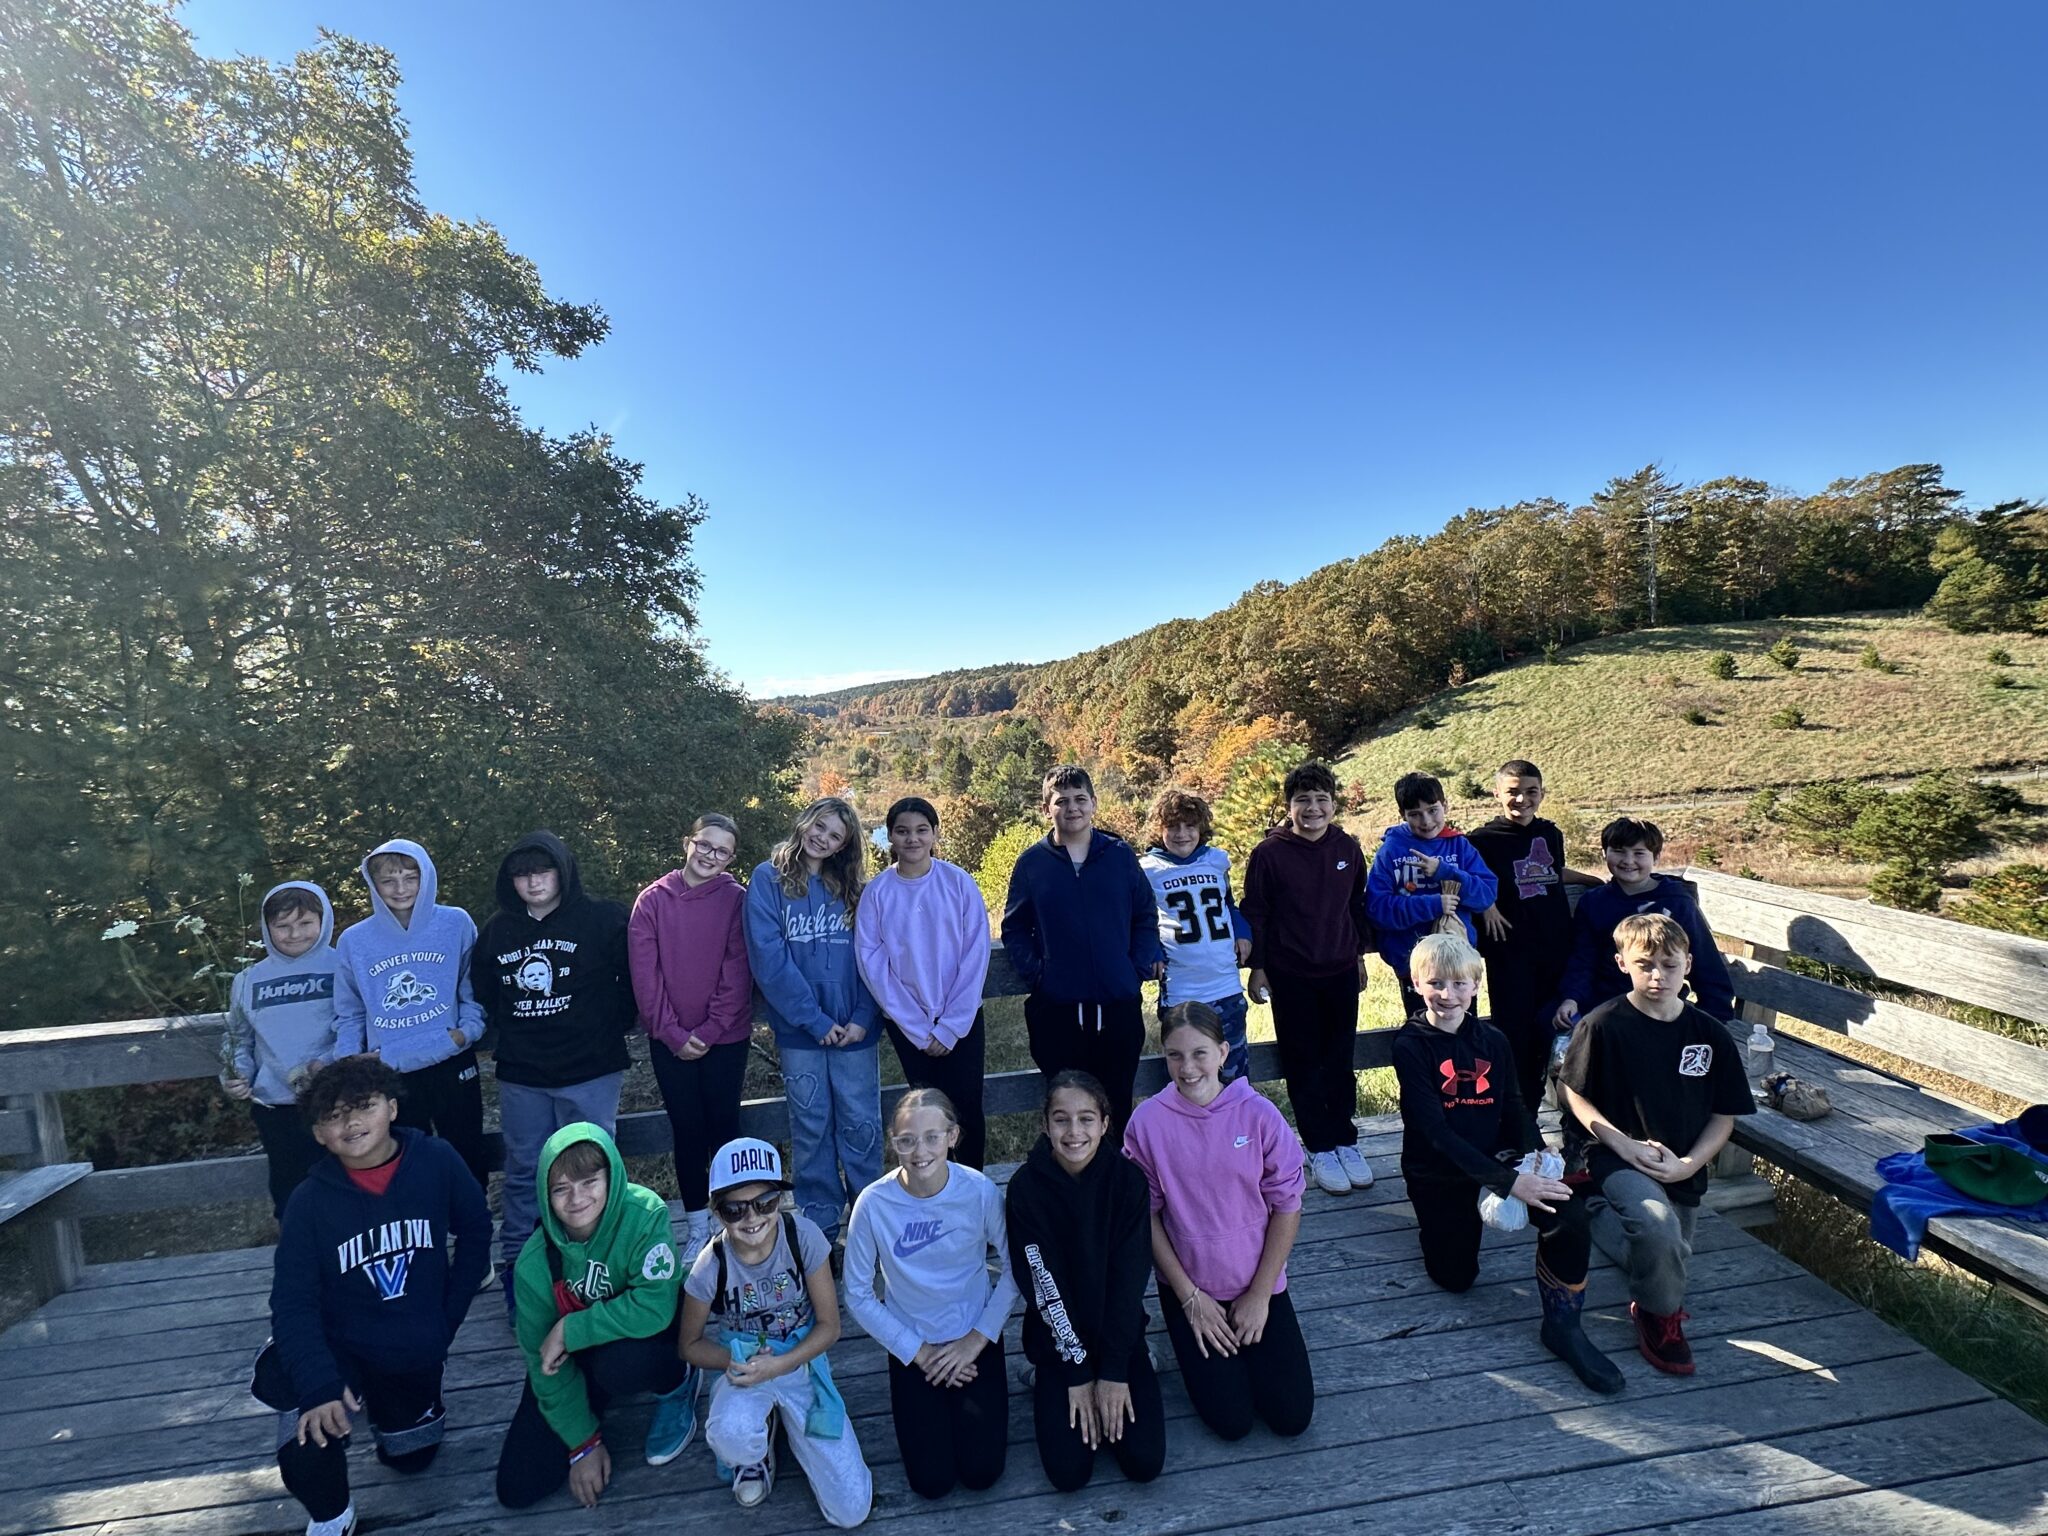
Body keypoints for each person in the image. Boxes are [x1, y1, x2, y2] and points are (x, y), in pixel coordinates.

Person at [255, 1055, 491, 1536]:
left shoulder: (437, 1160)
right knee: (307, 1442)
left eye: (364, 1106)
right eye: (333, 1116)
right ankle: (333, 1517)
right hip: (340, 1341)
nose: (351, 1123)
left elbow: (476, 1232)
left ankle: (380, 1402)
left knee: (411, 1458)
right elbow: (292, 1302)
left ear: (392, 1108)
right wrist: (319, 1383)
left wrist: (446, 1319)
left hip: (410, 1342)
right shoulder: (308, 1202)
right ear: (318, 1134)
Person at [1390, 934, 1622, 1393]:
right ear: (1416, 983)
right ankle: (1442, 1224)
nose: (1447, 995)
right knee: (1456, 1278)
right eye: (1435, 983)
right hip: (1438, 1171)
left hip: (1499, 1157)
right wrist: (1508, 1184)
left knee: (1568, 1213)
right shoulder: (1411, 1045)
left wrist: (1536, 1152)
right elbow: (1434, 1131)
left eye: (1459, 984)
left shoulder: (1492, 1040)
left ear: (1476, 985)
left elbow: (1515, 1107)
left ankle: (1563, 1325)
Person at [1558, 914, 1756, 1374]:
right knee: (1658, 1230)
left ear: (1688, 964)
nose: (1657, 976)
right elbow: (1572, 1091)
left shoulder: (1708, 1034)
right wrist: (1621, 1144)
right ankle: (1657, 1316)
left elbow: (1724, 1115)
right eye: (1644, 964)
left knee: (1666, 1252)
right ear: (1621, 963)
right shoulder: (1603, 1025)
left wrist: (1689, 1164)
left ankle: (1594, 1212)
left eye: (1669, 965)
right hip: (1614, 1153)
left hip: (1680, 1160)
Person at [1125, 1003, 1314, 1442]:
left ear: (1223, 1052)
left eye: (1200, 1053)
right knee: (1231, 1421)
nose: (1188, 1068)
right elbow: (1145, 1214)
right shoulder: (1147, 1122)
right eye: (1174, 1055)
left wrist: (1260, 1295)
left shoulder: (1258, 1114)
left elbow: (1288, 1205)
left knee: (1292, 1416)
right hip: (1192, 1289)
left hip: (1257, 1283)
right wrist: (1189, 1297)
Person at [496, 1124, 700, 1509]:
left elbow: (655, 1307)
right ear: (544, 1194)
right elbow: (542, 1361)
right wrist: (583, 1443)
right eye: (560, 1188)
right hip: (579, 1358)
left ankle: (679, 1381)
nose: (577, 1198)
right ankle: (594, 1410)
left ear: (611, 1176)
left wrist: (570, 1329)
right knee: (517, 1486)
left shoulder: (645, 1214)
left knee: (620, 1365)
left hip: (644, 1337)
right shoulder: (532, 1265)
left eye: (589, 1181)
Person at [473, 831, 636, 1313]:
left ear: (562, 871)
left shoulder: (603, 919)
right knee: (525, 1172)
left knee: (591, 1169)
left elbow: (632, 982)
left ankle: (600, 1270)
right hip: (523, 1073)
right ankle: (521, 1274)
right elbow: (484, 993)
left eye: (542, 871)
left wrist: (610, 1025)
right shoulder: (496, 931)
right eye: (521, 875)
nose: (533, 882)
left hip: (591, 1068)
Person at [680, 1138, 873, 1526]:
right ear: (717, 1212)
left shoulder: (803, 1237)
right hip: (743, 1368)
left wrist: (782, 1365)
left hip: (800, 1361)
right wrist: (738, 1362)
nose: (752, 1218)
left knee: (851, 1510)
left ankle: (783, 1423)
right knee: (729, 1433)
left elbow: (829, 1326)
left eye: (765, 1202)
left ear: (780, 1199)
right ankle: (758, 1449)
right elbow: (689, 1345)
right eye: (735, 1209)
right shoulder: (710, 1264)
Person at [843, 1089, 1017, 1499]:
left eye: (932, 1137)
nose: (920, 1151)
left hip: (974, 1337)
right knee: (931, 1481)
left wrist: (976, 1340)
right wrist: (918, 1352)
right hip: (913, 1344)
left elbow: (1015, 1269)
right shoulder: (873, 1204)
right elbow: (856, 1293)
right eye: (906, 1140)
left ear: (952, 1136)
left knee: (982, 1472)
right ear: (893, 1142)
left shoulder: (979, 1191)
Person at [1005, 1071, 1165, 1492]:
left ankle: (1141, 1363)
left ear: (1105, 1123)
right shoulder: (1025, 1189)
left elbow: (1129, 1283)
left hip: (1120, 1341)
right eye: (1061, 1119)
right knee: (1069, 1473)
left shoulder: (1128, 1182)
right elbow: (1044, 1286)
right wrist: (1077, 1373)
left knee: (1144, 1462)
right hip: (1059, 1346)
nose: (1074, 1132)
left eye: (1086, 1119)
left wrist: (1112, 1370)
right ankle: (1044, 1380)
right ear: (1045, 1124)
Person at [744, 797, 881, 1247]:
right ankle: (819, 1229)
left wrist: (863, 1016)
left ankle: (869, 1221)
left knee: (861, 1125)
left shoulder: (854, 887)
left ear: (845, 845)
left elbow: (872, 956)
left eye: (835, 835)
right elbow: (769, 959)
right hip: (801, 1033)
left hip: (855, 1033)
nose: (823, 838)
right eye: (819, 826)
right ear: (805, 822)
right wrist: (813, 1020)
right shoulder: (768, 880)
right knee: (811, 1127)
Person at [1001, 765, 1164, 1136]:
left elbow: (1144, 914)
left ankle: (1115, 1171)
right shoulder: (1032, 864)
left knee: (1116, 1108)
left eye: (1080, 799)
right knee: (1067, 1111)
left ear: (1093, 803)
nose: (1072, 807)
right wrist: (1040, 975)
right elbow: (1014, 928)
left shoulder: (1119, 856)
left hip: (1118, 1008)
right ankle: (1068, 1173)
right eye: (1061, 801)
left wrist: (1135, 968)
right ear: (1046, 808)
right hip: (1057, 1014)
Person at [1242, 761, 1375, 1195]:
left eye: (1322, 799)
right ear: (1289, 806)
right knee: (1303, 1060)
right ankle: (1318, 1146)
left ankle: (1345, 1140)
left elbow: (1355, 905)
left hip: (1340, 968)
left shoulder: (1347, 847)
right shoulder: (1269, 854)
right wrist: (1258, 966)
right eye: (1303, 800)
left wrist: (1358, 955)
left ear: (1333, 804)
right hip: (1291, 973)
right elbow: (1256, 912)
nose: (1313, 808)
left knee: (1340, 1056)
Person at [630, 812, 754, 1261]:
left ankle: (732, 1221)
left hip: (726, 1037)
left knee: (725, 1127)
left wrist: (710, 1030)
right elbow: (646, 977)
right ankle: (698, 1225)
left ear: (731, 858)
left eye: (722, 851)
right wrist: (673, 1034)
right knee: (686, 1130)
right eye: (704, 845)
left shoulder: (737, 900)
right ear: (688, 843)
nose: (710, 855)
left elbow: (737, 969)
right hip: (670, 1042)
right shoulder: (652, 901)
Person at [332, 838, 490, 1191]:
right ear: (373, 884)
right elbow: (349, 1011)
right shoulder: (354, 941)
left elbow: (473, 987)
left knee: (466, 1154)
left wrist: (465, 1032)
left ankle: (472, 1220)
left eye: (410, 878)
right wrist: (350, 1061)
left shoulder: (455, 923)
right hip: (389, 1070)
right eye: (388, 880)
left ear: (426, 877)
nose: (400, 889)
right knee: (406, 1163)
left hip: (450, 1058)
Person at [855, 798, 994, 1168]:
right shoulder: (877, 892)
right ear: (890, 836)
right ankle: (930, 1183)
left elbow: (975, 954)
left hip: (962, 1022)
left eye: (921, 830)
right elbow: (873, 964)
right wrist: (918, 1028)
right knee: (924, 1114)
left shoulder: (958, 883)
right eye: (902, 831)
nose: (912, 839)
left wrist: (950, 1026)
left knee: (966, 1110)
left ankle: (970, 1188)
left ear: (934, 833)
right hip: (907, 1026)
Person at [1467, 761, 1598, 1113]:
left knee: (1555, 1033)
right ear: (1497, 793)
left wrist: (1590, 881)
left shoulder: (1551, 834)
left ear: (1542, 793)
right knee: (1514, 1036)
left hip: (1555, 951)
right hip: (1509, 955)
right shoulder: (1481, 841)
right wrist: (1485, 905)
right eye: (1512, 792)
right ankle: (1518, 1117)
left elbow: (1552, 872)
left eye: (1531, 792)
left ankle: (1559, 1112)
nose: (1522, 799)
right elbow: (1468, 881)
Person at [221, 881, 342, 1220]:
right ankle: (298, 1249)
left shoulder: (344, 966)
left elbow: (359, 1027)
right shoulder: (248, 980)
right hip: (276, 1107)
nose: (294, 934)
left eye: (305, 923)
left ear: (323, 921)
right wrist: (236, 1074)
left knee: (346, 1185)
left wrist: (328, 1065)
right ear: (267, 927)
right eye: (282, 925)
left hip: (339, 1100)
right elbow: (238, 1038)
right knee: (292, 1193)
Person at [1553, 818, 1736, 1031]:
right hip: (1604, 1002)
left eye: (1639, 853)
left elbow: (1706, 963)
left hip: (1660, 1003)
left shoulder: (1677, 903)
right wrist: (1572, 998)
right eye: (1619, 851)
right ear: (1604, 853)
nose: (1628, 860)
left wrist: (1713, 1020)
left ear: (1656, 857)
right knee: (1549, 1024)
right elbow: (1583, 959)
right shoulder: (1594, 902)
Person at [1139, 787, 1253, 1083]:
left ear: (1201, 827)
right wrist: (1152, 949)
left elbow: (1228, 904)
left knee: (1233, 1075)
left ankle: (1235, 1117)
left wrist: (1242, 932)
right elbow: (1140, 919)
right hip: (1181, 989)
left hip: (1225, 985)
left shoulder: (1216, 860)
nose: (1182, 834)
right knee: (1188, 1077)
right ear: (1158, 829)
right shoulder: (1148, 869)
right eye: (1173, 826)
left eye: (1189, 825)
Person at [1366, 771, 1499, 1021]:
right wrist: (1433, 905)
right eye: (1415, 814)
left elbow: (1486, 894)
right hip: (1415, 970)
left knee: (1463, 1033)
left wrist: (1446, 872)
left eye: (1432, 810)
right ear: (1402, 815)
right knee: (1424, 1035)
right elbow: (1377, 909)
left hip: (1459, 968)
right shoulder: (1391, 852)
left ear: (1445, 806)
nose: (1426, 821)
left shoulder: (1459, 847)